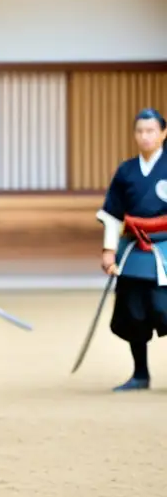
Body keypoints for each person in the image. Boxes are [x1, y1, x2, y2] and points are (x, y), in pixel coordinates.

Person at [96, 107, 167, 392]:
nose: (145, 136)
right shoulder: (126, 171)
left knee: (164, 308)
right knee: (133, 312)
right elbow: (113, 214)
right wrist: (108, 250)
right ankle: (140, 374)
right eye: (140, 131)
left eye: (151, 131)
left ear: (163, 133)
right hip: (134, 250)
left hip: (165, 248)